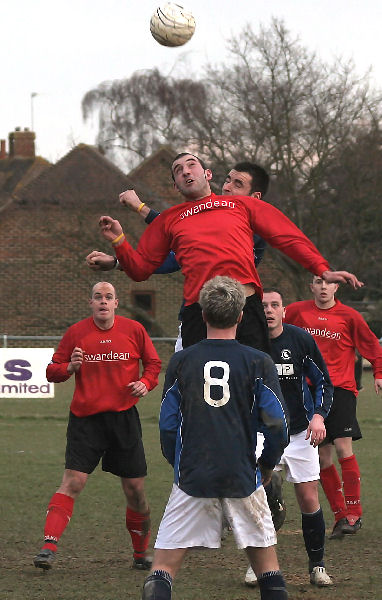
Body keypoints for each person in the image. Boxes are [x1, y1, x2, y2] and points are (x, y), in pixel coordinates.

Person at [87, 152, 363, 354]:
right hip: (200, 311)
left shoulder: (239, 206)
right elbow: (141, 269)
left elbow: (286, 234)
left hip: (246, 305)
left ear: (207, 174)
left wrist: (321, 269)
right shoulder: (168, 220)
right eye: (178, 170)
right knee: (198, 390)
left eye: (191, 165)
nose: (185, 171)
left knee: (258, 382)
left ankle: (269, 430)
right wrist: (119, 241)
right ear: (175, 186)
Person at [141, 276, 290, 600]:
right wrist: (266, 464)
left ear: (203, 315)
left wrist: (177, 463)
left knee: (162, 571)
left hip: (193, 473)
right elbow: (277, 423)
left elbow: (168, 424)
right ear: (240, 316)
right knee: (268, 571)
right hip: (242, 473)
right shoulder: (258, 361)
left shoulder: (182, 361)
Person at [33, 282, 161, 570]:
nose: (103, 301)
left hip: (123, 419)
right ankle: (48, 547)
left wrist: (145, 382)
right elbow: (52, 371)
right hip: (86, 420)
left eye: (108, 297)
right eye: (98, 297)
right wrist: (68, 368)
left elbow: (153, 364)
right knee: (73, 481)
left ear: (116, 303)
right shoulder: (75, 333)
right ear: (90, 303)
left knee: (135, 490)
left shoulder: (134, 330)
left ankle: (140, 554)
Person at [245, 288, 333, 588]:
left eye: (275, 305)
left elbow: (323, 381)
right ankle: (257, 565)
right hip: (260, 432)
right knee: (258, 498)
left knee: (309, 498)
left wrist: (319, 416)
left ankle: (317, 565)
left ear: (284, 310)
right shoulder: (248, 342)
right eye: (264, 305)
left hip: (298, 433)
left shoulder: (300, 340)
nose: (268, 310)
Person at [285, 276, 382, 539]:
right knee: (322, 457)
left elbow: (372, 344)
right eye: (319, 281)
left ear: (337, 287)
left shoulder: (349, 316)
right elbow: (271, 330)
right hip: (308, 392)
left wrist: (378, 372)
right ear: (312, 286)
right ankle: (340, 516)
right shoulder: (296, 311)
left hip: (340, 389)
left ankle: (354, 512)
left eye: (329, 282)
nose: (324, 286)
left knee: (343, 447)